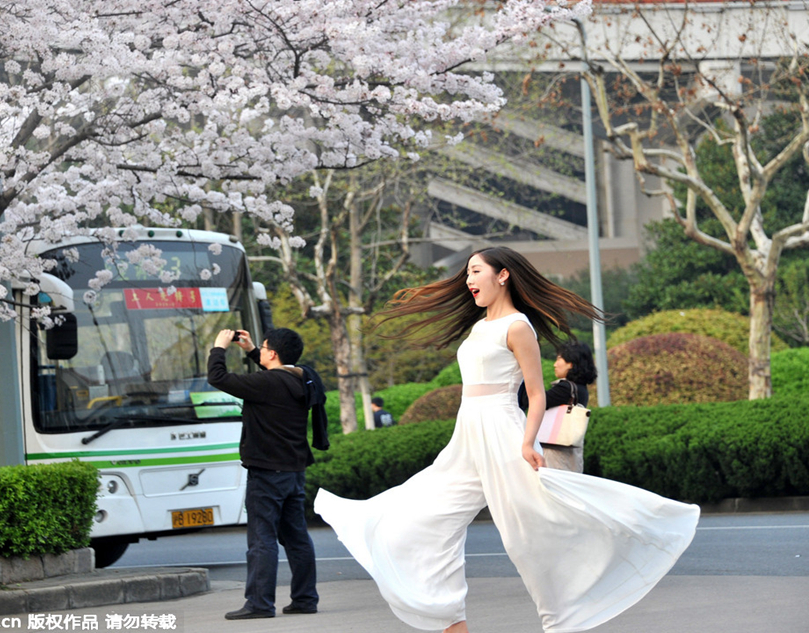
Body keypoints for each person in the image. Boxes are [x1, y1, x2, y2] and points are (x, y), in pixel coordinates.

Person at [314, 247, 700, 633]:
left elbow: (535, 395)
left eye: (475, 271)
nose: (468, 280)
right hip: (467, 438)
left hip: (502, 433)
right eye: (467, 272)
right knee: (419, 520)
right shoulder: (479, 326)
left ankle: (567, 611)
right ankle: (449, 620)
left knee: (530, 536)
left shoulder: (518, 327)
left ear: (502, 276)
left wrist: (528, 442)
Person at [207, 327, 321, 620]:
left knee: (262, 539)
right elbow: (276, 373)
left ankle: (259, 604)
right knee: (296, 537)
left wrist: (219, 347)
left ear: (271, 353)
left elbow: (217, 378)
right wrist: (250, 350)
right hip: (294, 470)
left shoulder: (267, 383)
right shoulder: (304, 378)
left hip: (267, 473)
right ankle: (305, 598)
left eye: (264, 348)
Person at [518, 340, 598, 473]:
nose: (555, 364)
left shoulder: (566, 389)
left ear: (571, 363)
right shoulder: (580, 389)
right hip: (569, 452)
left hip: (555, 452)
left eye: (559, 359)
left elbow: (531, 402)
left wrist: (525, 375)